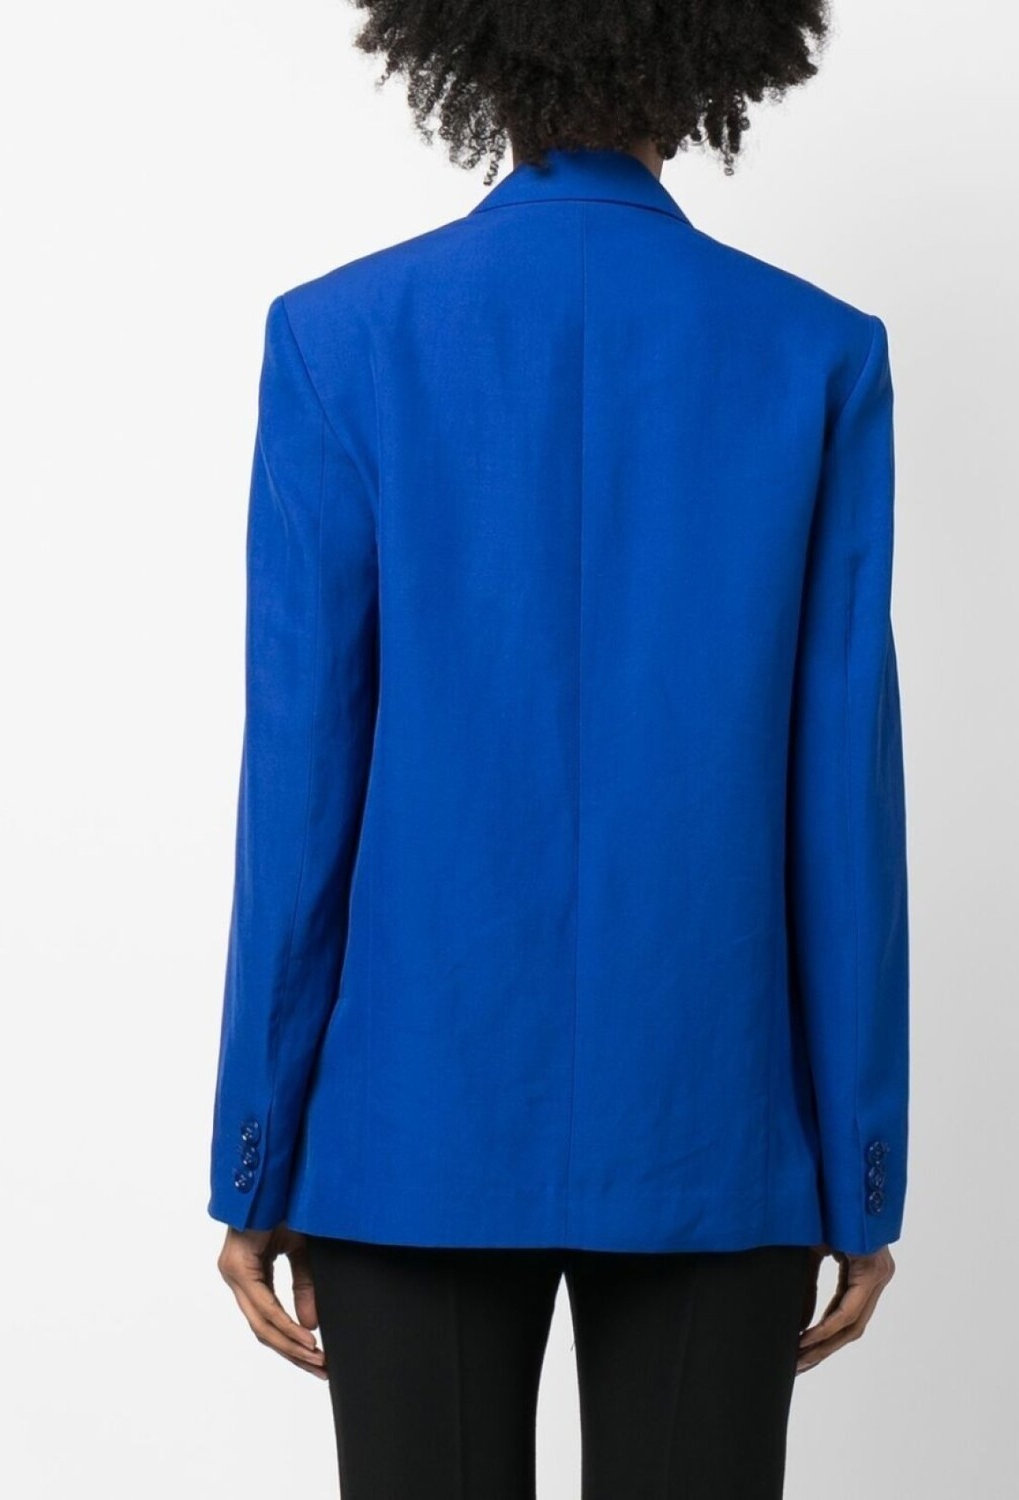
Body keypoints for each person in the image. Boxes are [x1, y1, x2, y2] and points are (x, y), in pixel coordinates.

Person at [207, 3, 910, 1495]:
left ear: (472, 63)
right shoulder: (815, 352)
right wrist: (860, 1166)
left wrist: (259, 1153)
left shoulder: (339, 338)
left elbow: (301, 786)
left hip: (408, 1131)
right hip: (717, 1128)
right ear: (704, 69)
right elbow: (839, 805)